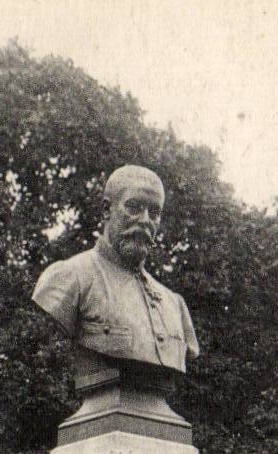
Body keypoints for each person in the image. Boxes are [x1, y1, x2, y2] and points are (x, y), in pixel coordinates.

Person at [32, 165, 199, 387]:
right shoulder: (69, 278)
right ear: (106, 210)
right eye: (134, 207)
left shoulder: (174, 305)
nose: (145, 220)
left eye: (154, 212)